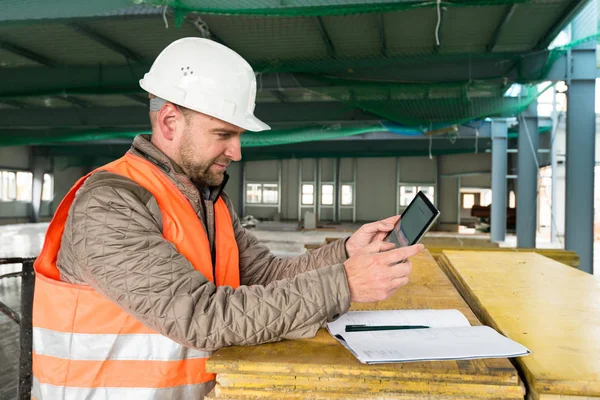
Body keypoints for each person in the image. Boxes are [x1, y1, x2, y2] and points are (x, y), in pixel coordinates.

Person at [31, 38, 424, 399]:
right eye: (223, 134)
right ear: (169, 122)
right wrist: (345, 282)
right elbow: (200, 317)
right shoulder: (111, 204)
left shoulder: (207, 198)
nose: (236, 152)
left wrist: (345, 254)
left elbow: (265, 277)